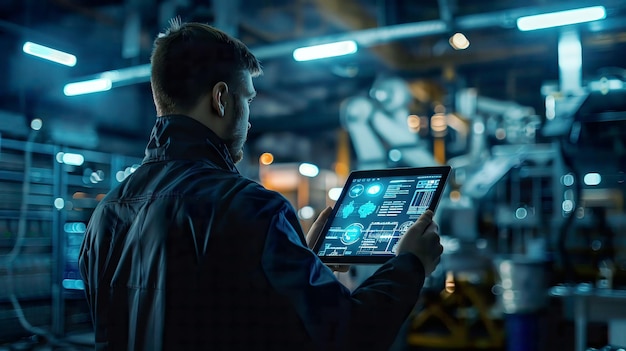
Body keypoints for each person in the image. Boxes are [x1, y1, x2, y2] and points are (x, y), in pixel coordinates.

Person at [79, 18, 443, 351]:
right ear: (221, 99)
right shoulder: (249, 207)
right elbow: (345, 335)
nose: (249, 119)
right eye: (248, 99)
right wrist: (411, 264)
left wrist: (306, 264)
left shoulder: (106, 214)